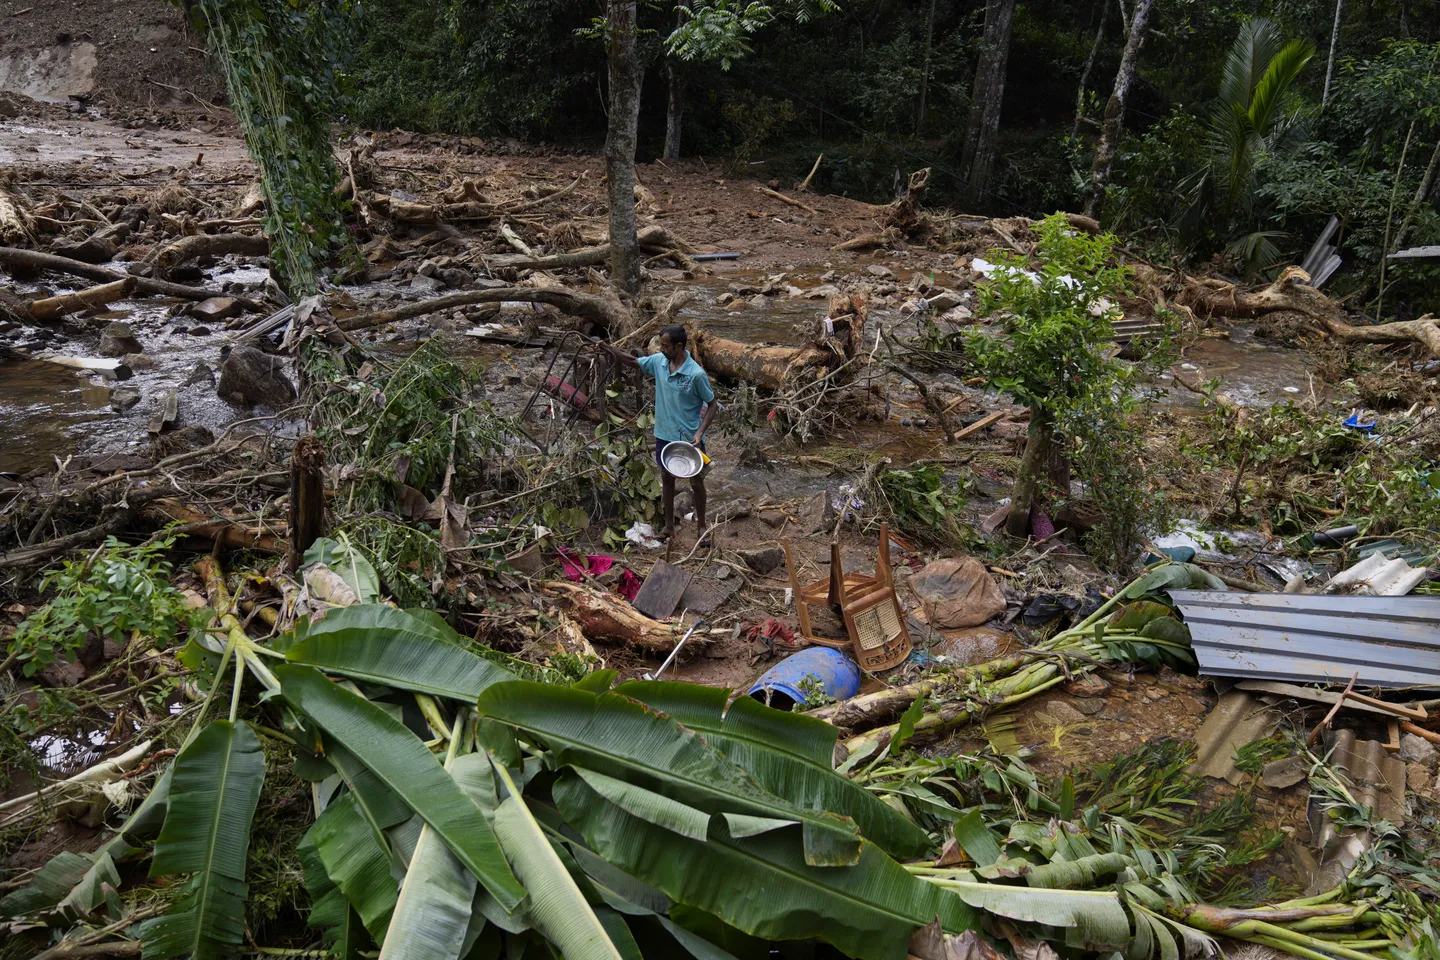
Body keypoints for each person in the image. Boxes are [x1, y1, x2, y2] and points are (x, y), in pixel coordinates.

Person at [603, 325, 717, 544]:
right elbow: (632, 361)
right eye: (661, 345)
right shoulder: (659, 362)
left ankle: (702, 525)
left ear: (679, 346)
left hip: (688, 437)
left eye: (665, 345)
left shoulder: (695, 375)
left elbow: (712, 404)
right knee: (666, 478)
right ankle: (669, 526)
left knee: (696, 481)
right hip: (664, 433)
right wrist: (608, 349)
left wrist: (700, 432)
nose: (662, 349)